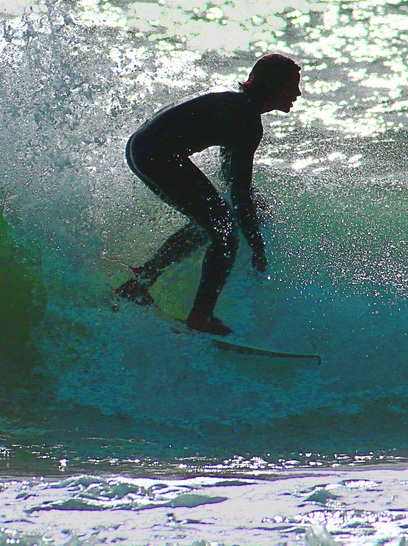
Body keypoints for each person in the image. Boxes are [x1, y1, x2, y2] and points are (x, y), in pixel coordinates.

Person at [114, 54, 302, 335]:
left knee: (212, 224)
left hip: (142, 149)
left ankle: (139, 283)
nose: (298, 94)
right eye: (292, 87)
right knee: (225, 229)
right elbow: (238, 192)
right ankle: (200, 315)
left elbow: (231, 176)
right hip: (157, 155)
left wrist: (252, 201)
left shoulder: (239, 106)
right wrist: (256, 243)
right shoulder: (247, 119)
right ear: (273, 86)